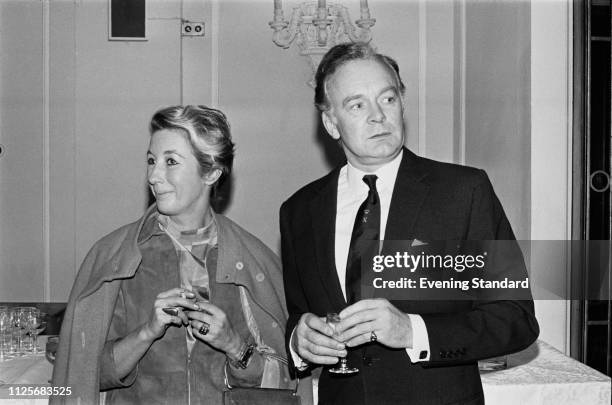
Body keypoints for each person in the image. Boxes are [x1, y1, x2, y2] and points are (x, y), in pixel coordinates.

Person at [280, 42, 539, 404]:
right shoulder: (299, 211)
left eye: (387, 99)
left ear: (403, 104)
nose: (377, 116)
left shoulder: (464, 192)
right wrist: (299, 340)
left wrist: (413, 331)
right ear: (330, 123)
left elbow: (515, 318)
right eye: (357, 105)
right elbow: (298, 313)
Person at [51, 105, 310, 404]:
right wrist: (146, 333)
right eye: (151, 160)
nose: (153, 176)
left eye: (170, 161)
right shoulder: (115, 257)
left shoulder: (253, 261)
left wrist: (234, 346)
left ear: (211, 171)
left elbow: (288, 384)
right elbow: (81, 377)